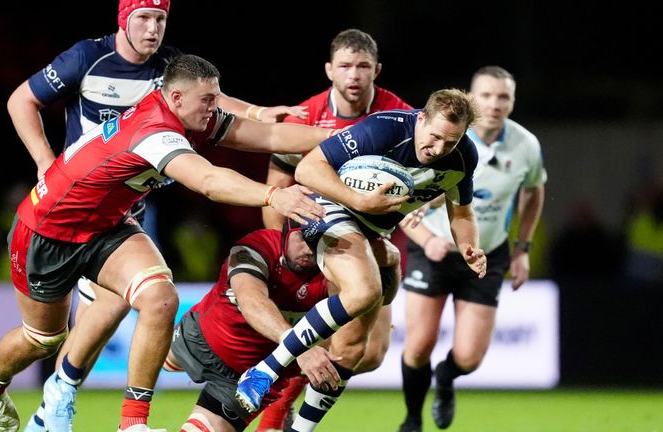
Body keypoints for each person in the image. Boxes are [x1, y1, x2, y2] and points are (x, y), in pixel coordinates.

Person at [0, 54, 332, 432]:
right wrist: (274, 195)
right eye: (208, 100)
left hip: (106, 226)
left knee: (160, 297)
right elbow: (207, 181)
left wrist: (340, 137)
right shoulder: (156, 131)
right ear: (176, 98)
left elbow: (270, 136)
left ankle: (133, 424)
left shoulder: (192, 117)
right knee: (44, 339)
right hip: (48, 231)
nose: (216, 107)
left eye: (217, 96)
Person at [235, 88, 488, 432]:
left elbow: (461, 212)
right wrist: (358, 199)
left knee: (353, 352)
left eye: (451, 142)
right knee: (365, 290)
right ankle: (265, 370)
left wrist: (470, 245)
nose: (439, 149)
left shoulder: (463, 158)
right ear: (422, 119)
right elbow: (308, 169)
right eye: (436, 137)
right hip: (328, 209)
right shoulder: (384, 129)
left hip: (373, 233)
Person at [257, 28, 412, 431]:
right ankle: (278, 412)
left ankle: (288, 383)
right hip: (319, 235)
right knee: (343, 346)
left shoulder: (400, 116)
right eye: (345, 66)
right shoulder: (305, 117)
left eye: (363, 66)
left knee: (372, 354)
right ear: (329, 70)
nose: (354, 75)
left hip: (375, 240)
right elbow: (276, 184)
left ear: (377, 69)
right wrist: (281, 243)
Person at [396, 66, 547, 432]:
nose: (494, 104)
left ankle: (445, 379)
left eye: (503, 96)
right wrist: (427, 239)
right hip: (432, 251)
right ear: (471, 99)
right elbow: (398, 199)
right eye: (486, 95)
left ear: (512, 101)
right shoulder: (443, 139)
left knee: (470, 357)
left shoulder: (526, 145)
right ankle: (412, 420)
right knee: (417, 347)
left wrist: (522, 247)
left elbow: (534, 189)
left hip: (486, 253)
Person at [163, 218, 344, 432]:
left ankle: (274, 419)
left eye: (317, 243)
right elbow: (251, 303)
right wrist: (298, 346)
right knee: (164, 358)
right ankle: (133, 422)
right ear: (286, 232)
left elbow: (342, 323)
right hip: (202, 338)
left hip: (250, 376)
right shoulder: (255, 246)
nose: (308, 249)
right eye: (303, 238)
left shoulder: (335, 268)